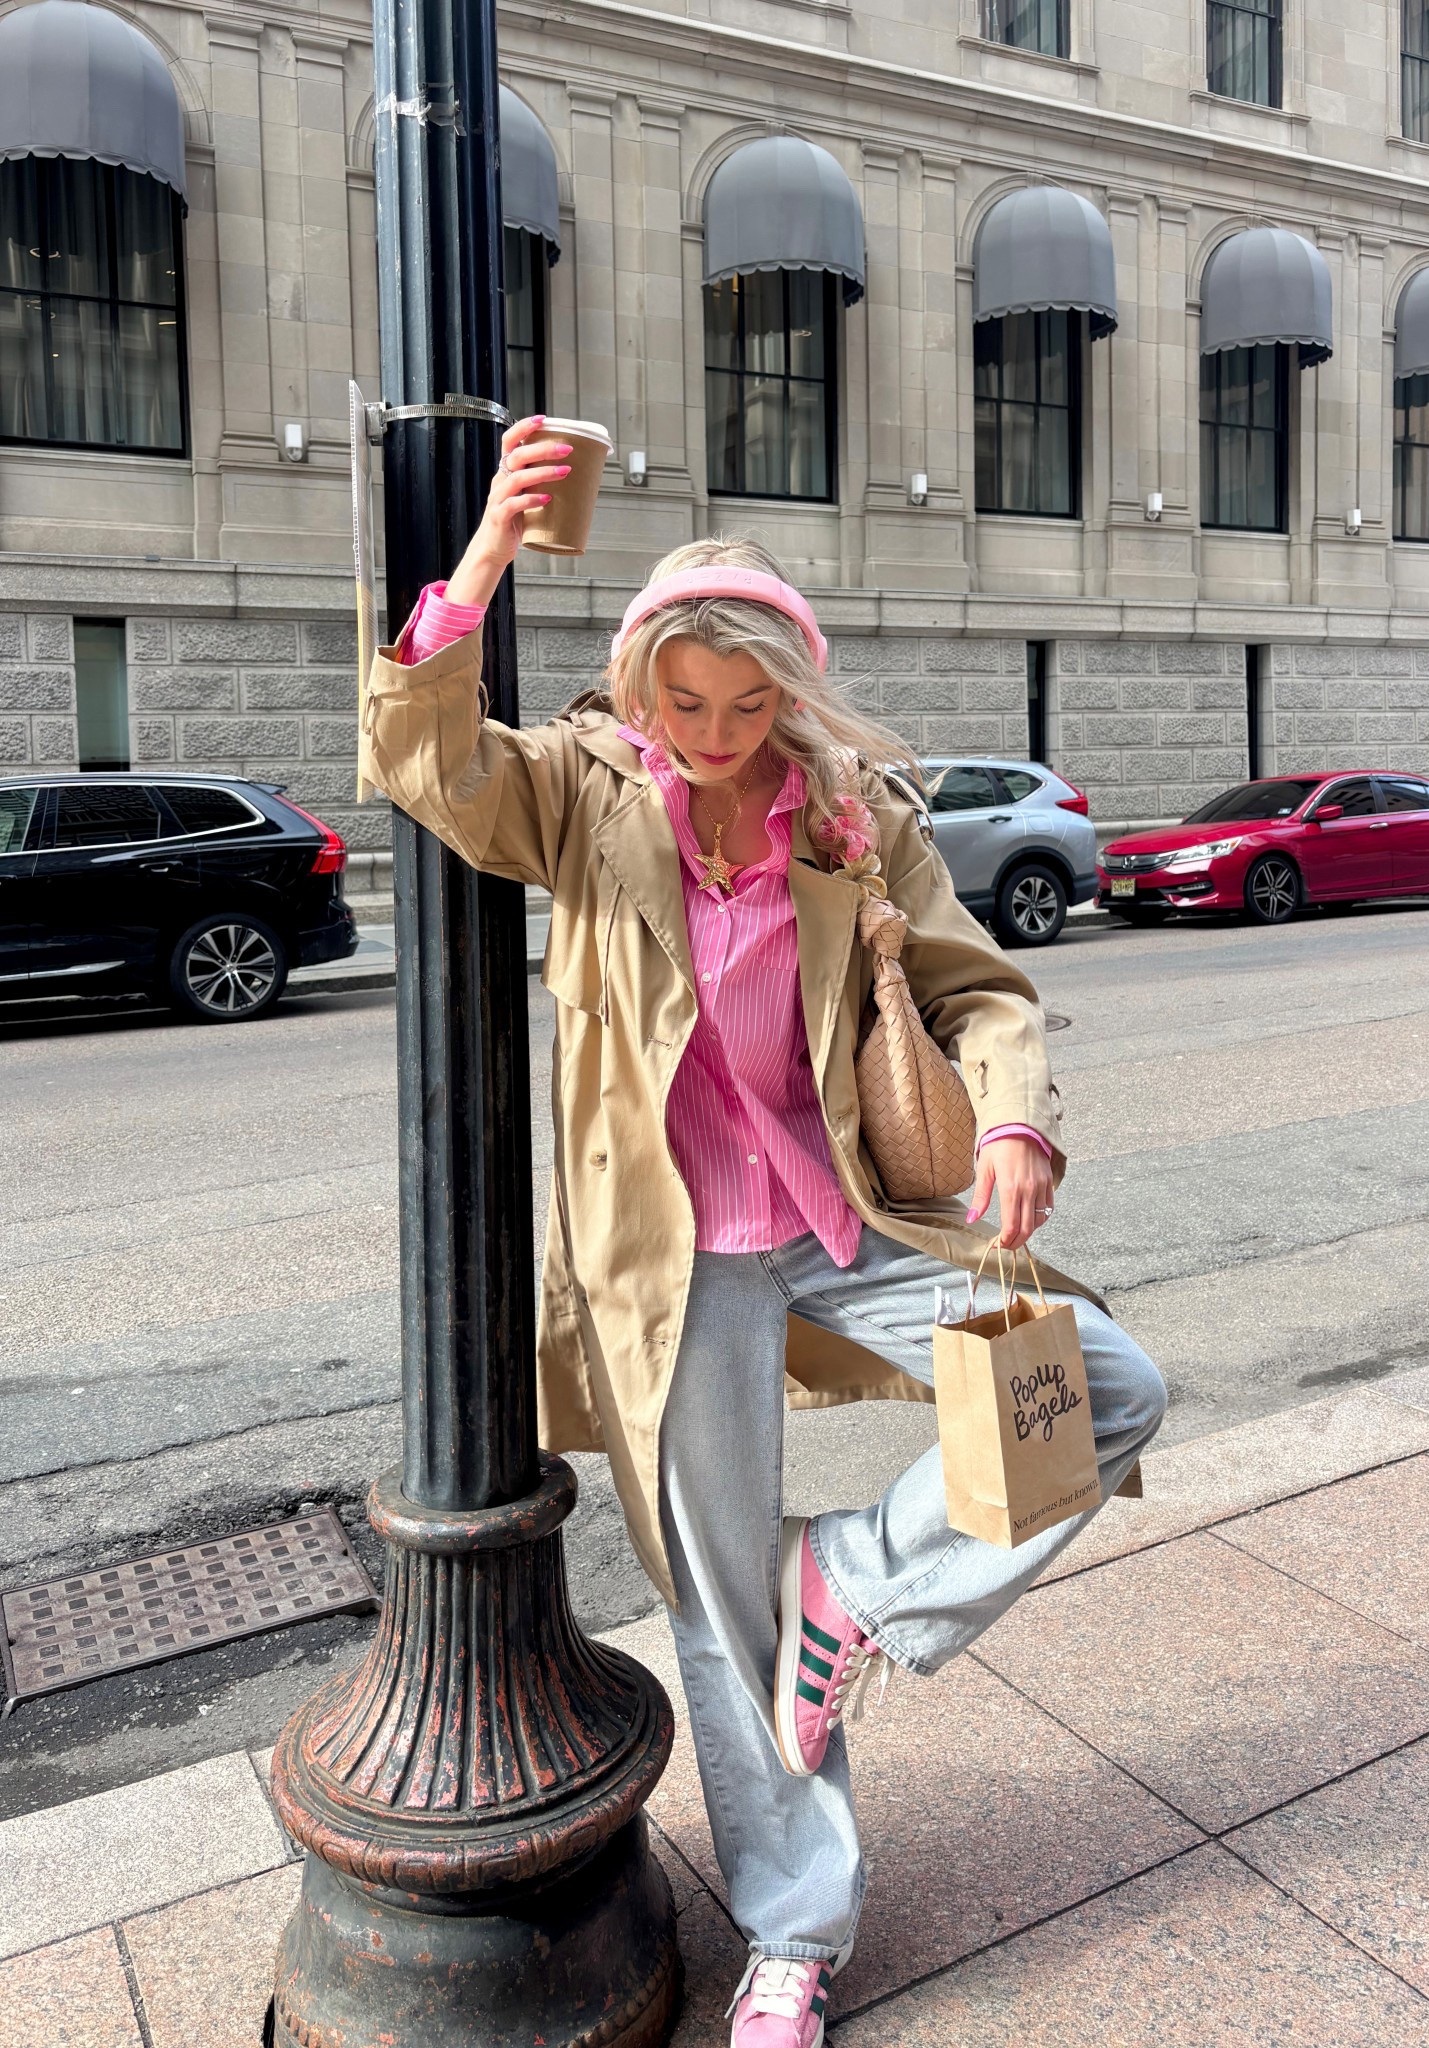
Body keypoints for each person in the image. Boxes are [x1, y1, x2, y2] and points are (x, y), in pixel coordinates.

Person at [360, 415, 1167, 2048]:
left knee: (1103, 1387)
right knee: (720, 1611)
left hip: (846, 1217)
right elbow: (422, 762)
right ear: (645, 682)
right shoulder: (589, 793)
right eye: (688, 703)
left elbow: (976, 990)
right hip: (671, 1260)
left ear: (789, 690)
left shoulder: (850, 815)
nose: (718, 734)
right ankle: (793, 1938)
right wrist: (491, 555)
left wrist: (1013, 1115)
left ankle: (855, 1585)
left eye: (749, 705)